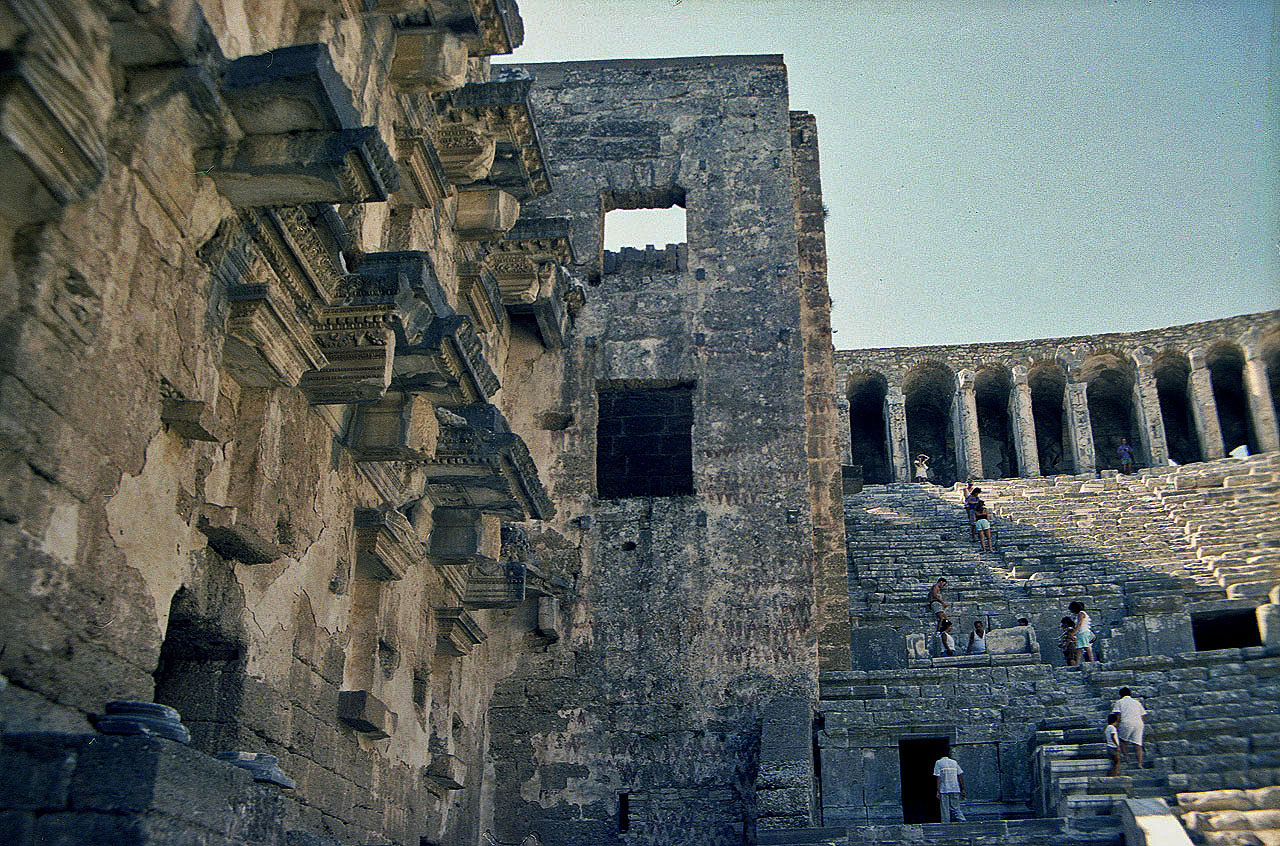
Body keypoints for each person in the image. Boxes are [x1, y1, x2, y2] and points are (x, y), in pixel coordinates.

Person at [1112, 687, 1148, 768]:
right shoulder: (1137, 702)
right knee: (1138, 744)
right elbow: (1143, 715)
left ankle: (1126, 757)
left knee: (1123, 740)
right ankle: (1139, 763)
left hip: (1126, 722)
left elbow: (1118, 715)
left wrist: (1117, 725)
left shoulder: (1119, 702)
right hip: (1138, 723)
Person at [933, 748, 966, 822]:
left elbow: (938, 777)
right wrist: (962, 788)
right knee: (956, 808)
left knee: (945, 810)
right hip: (955, 788)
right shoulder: (954, 762)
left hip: (944, 789)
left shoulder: (938, 762)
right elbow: (960, 775)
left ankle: (946, 823)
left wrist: (937, 790)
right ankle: (962, 820)